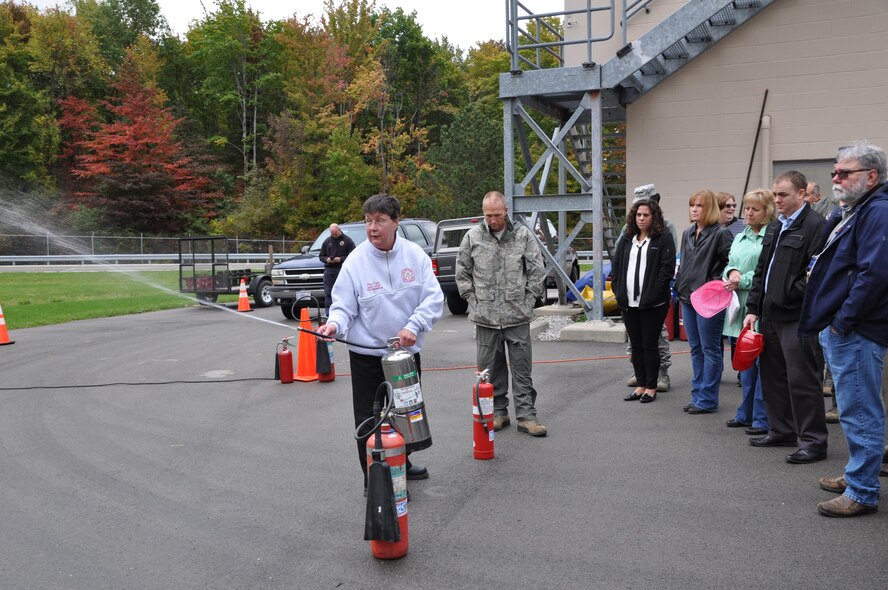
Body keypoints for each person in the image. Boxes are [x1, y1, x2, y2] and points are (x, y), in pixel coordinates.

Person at [316, 194, 444, 488]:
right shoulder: (355, 262)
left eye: (380, 221)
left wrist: (415, 325)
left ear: (396, 222)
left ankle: (403, 462)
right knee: (369, 418)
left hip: (404, 355)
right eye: (368, 221)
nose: (373, 228)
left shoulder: (415, 256)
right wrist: (334, 324)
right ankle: (373, 479)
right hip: (366, 356)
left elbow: (433, 298)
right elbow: (343, 306)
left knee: (405, 413)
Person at [799, 143, 888, 517]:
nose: (835, 179)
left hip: (855, 329)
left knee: (860, 410)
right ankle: (858, 475)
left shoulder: (878, 211)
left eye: (844, 173)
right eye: (834, 172)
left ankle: (863, 491)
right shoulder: (856, 210)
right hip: (845, 327)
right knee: (856, 407)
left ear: (871, 177)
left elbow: (875, 274)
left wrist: (842, 322)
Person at [743, 170, 827, 464]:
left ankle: (813, 441)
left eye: (783, 195)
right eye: (775, 194)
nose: (777, 200)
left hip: (796, 317)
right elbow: (761, 271)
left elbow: (817, 275)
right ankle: (782, 429)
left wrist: (789, 293)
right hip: (769, 316)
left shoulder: (816, 226)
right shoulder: (776, 226)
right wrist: (753, 308)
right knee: (773, 377)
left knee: (802, 380)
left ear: (802, 194)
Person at [455, 191, 548, 436]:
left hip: (516, 315)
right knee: (489, 369)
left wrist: (528, 301)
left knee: (521, 368)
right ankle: (498, 413)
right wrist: (473, 302)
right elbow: (462, 272)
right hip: (485, 317)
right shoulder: (473, 237)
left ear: (506, 211)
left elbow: (537, 271)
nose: (492, 220)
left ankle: (527, 416)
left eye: (496, 215)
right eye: (488, 215)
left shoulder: (522, 235)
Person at [675, 190, 733, 414]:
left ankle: (707, 398)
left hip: (709, 299)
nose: (694, 209)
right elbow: (685, 264)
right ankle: (698, 394)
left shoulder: (721, 233)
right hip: (687, 296)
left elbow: (731, 264)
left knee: (710, 349)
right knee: (696, 348)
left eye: (699, 205)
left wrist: (714, 283)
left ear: (708, 208)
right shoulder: (688, 232)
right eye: (692, 205)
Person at [612, 198, 675, 404]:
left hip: (653, 304)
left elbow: (667, 270)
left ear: (653, 216)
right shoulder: (627, 237)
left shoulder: (663, 238)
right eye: (638, 215)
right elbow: (617, 267)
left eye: (646, 215)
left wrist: (653, 294)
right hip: (628, 302)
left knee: (650, 345)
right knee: (636, 345)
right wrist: (618, 291)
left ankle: (651, 387)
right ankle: (640, 385)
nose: (641, 218)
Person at [722, 189, 775, 435]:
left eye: (755, 209)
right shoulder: (741, 235)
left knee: (761, 363)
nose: (749, 213)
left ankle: (761, 418)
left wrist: (740, 279)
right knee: (745, 364)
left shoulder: (771, 235)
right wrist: (731, 273)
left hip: (759, 304)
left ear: (767, 211)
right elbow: (731, 262)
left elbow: (766, 271)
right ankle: (745, 413)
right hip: (738, 304)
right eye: (747, 208)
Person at [318, 223, 356, 318]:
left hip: (342, 269)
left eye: (335, 233)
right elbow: (321, 256)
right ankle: (328, 312)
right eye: (332, 234)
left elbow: (354, 256)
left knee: (343, 290)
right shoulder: (327, 241)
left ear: (339, 230)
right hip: (329, 269)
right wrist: (327, 259)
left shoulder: (347, 241)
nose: (334, 235)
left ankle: (345, 311)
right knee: (328, 291)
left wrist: (341, 259)